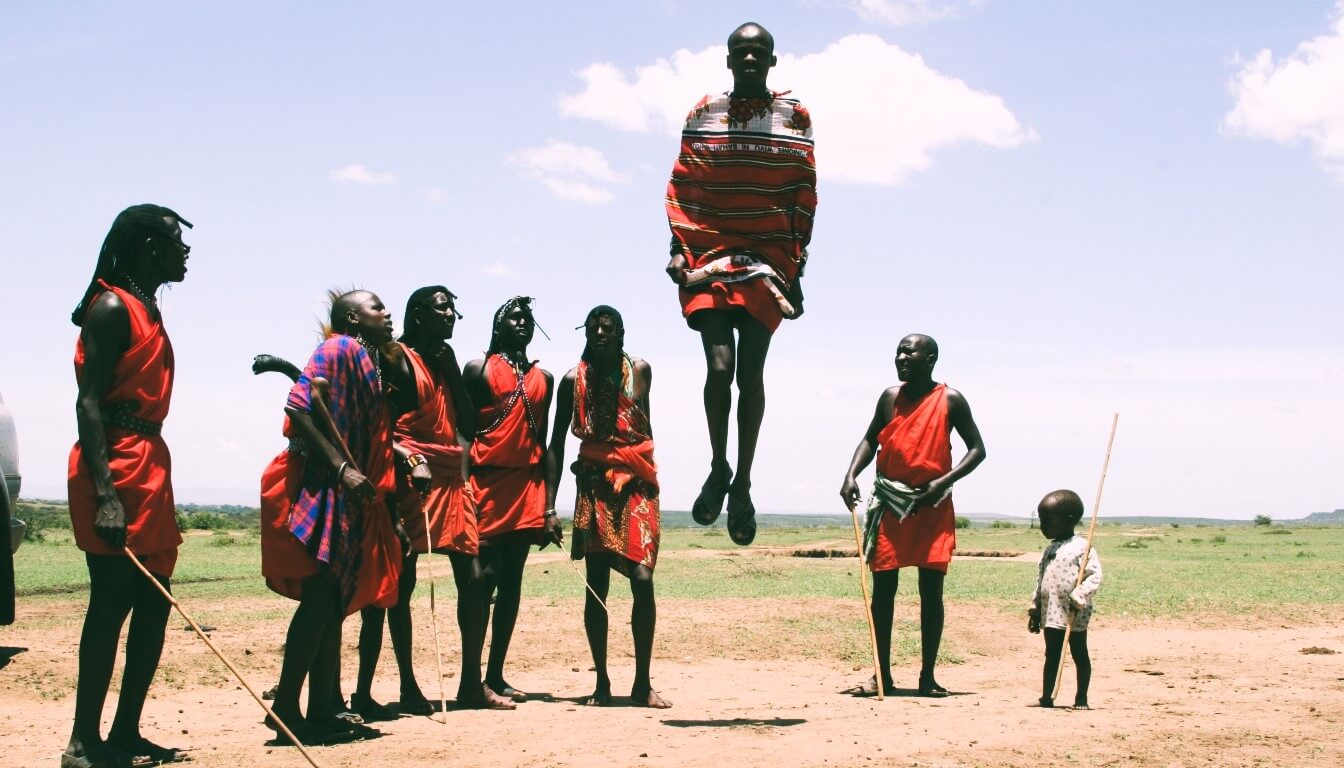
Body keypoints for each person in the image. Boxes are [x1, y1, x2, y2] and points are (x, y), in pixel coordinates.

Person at [665, 21, 817, 546]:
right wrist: (676, 251)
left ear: (772, 61)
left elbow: (802, 191)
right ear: (728, 60)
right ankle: (718, 465)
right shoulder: (703, 113)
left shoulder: (793, 117)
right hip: (708, 254)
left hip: (767, 262)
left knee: (749, 376)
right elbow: (685, 184)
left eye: (759, 52)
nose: (749, 59)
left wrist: (798, 267)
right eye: (741, 52)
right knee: (719, 366)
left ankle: (744, 483)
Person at [64, 205, 193, 768]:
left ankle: (125, 734)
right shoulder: (114, 306)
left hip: (150, 463)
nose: (184, 252)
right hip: (113, 463)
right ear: (146, 245)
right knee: (111, 602)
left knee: (155, 604)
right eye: (174, 241)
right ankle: (82, 742)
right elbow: (88, 402)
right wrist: (108, 495)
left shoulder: (150, 308)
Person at [352, 286, 515, 714]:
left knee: (475, 578)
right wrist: (407, 459)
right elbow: (379, 425)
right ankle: (408, 686)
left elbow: (465, 421)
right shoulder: (393, 357)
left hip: (449, 476)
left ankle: (470, 684)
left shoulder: (444, 360)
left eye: (454, 309)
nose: (452, 316)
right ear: (419, 314)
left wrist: (449, 370)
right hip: (411, 474)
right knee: (401, 581)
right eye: (443, 308)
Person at [264, 290, 408, 741]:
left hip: (348, 490)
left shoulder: (365, 358)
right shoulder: (338, 348)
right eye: (377, 307)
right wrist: (343, 468)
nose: (386, 314)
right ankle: (287, 706)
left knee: (332, 600)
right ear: (352, 317)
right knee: (322, 593)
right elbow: (299, 406)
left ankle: (323, 708)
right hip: (322, 482)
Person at [840, 334, 986, 697]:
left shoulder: (950, 399)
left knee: (930, 592)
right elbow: (870, 440)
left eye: (909, 352)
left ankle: (928, 676)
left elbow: (977, 450)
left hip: (932, 505)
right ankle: (881, 674)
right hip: (890, 504)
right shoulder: (890, 397)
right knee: (883, 591)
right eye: (898, 352)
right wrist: (850, 474)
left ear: (931, 358)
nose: (901, 357)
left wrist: (943, 482)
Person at [546, 306, 670, 709]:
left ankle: (643, 683)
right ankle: (601, 681)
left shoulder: (640, 371)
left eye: (608, 326)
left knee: (642, 578)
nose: (600, 331)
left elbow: (645, 428)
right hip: (595, 485)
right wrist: (549, 507)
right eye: (594, 326)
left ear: (620, 332)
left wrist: (641, 466)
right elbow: (556, 445)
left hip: (636, 484)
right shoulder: (571, 381)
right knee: (596, 583)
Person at [464, 297, 561, 701]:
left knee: (512, 581)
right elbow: (463, 433)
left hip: (527, 487)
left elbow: (547, 443)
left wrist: (550, 506)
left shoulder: (546, 378)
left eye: (528, 318)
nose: (523, 322)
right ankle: (472, 680)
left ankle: (497, 675)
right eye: (515, 317)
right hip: (484, 485)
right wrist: (463, 488)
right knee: (482, 579)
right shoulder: (478, 369)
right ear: (498, 324)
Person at [1029, 489, 1102, 710]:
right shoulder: (1050, 548)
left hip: (1074, 611)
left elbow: (1095, 576)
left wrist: (1079, 595)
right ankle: (1047, 696)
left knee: (1079, 653)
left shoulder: (1082, 547)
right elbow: (1041, 580)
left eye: (1047, 520)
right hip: (1050, 612)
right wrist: (1035, 609)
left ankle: (1081, 697)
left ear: (1069, 519)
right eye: (1041, 519)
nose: (1042, 525)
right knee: (1051, 654)